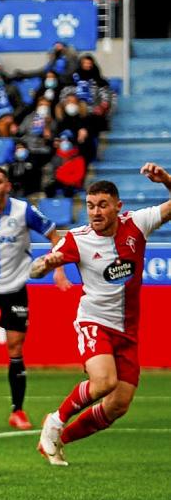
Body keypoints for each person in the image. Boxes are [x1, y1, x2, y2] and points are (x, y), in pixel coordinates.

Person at [32, 164, 171, 466]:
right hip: (94, 321)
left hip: (128, 330)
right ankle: (54, 421)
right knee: (105, 381)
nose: (95, 212)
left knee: (118, 405)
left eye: (102, 205)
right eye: (90, 206)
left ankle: (58, 440)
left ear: (118, 207)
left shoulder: (137, 223)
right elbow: (35, 268)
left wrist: (167, 181)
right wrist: (45, 265)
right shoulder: (77, 238)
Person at [0, 166, 71, 429]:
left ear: (7, 186)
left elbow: (56, 237)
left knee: (15, 350)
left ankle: (17, 410)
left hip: (16, 287)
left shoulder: (24, 211)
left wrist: (59, 270)